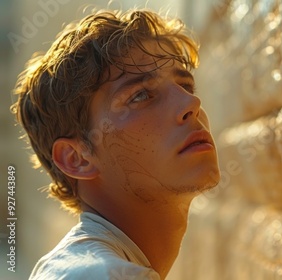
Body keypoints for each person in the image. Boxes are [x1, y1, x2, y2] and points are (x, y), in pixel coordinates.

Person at [11, 8, 220, 280]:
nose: (191, 104)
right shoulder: (109, 274)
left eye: (186, 86)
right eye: (141, 95)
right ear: (77, 158)